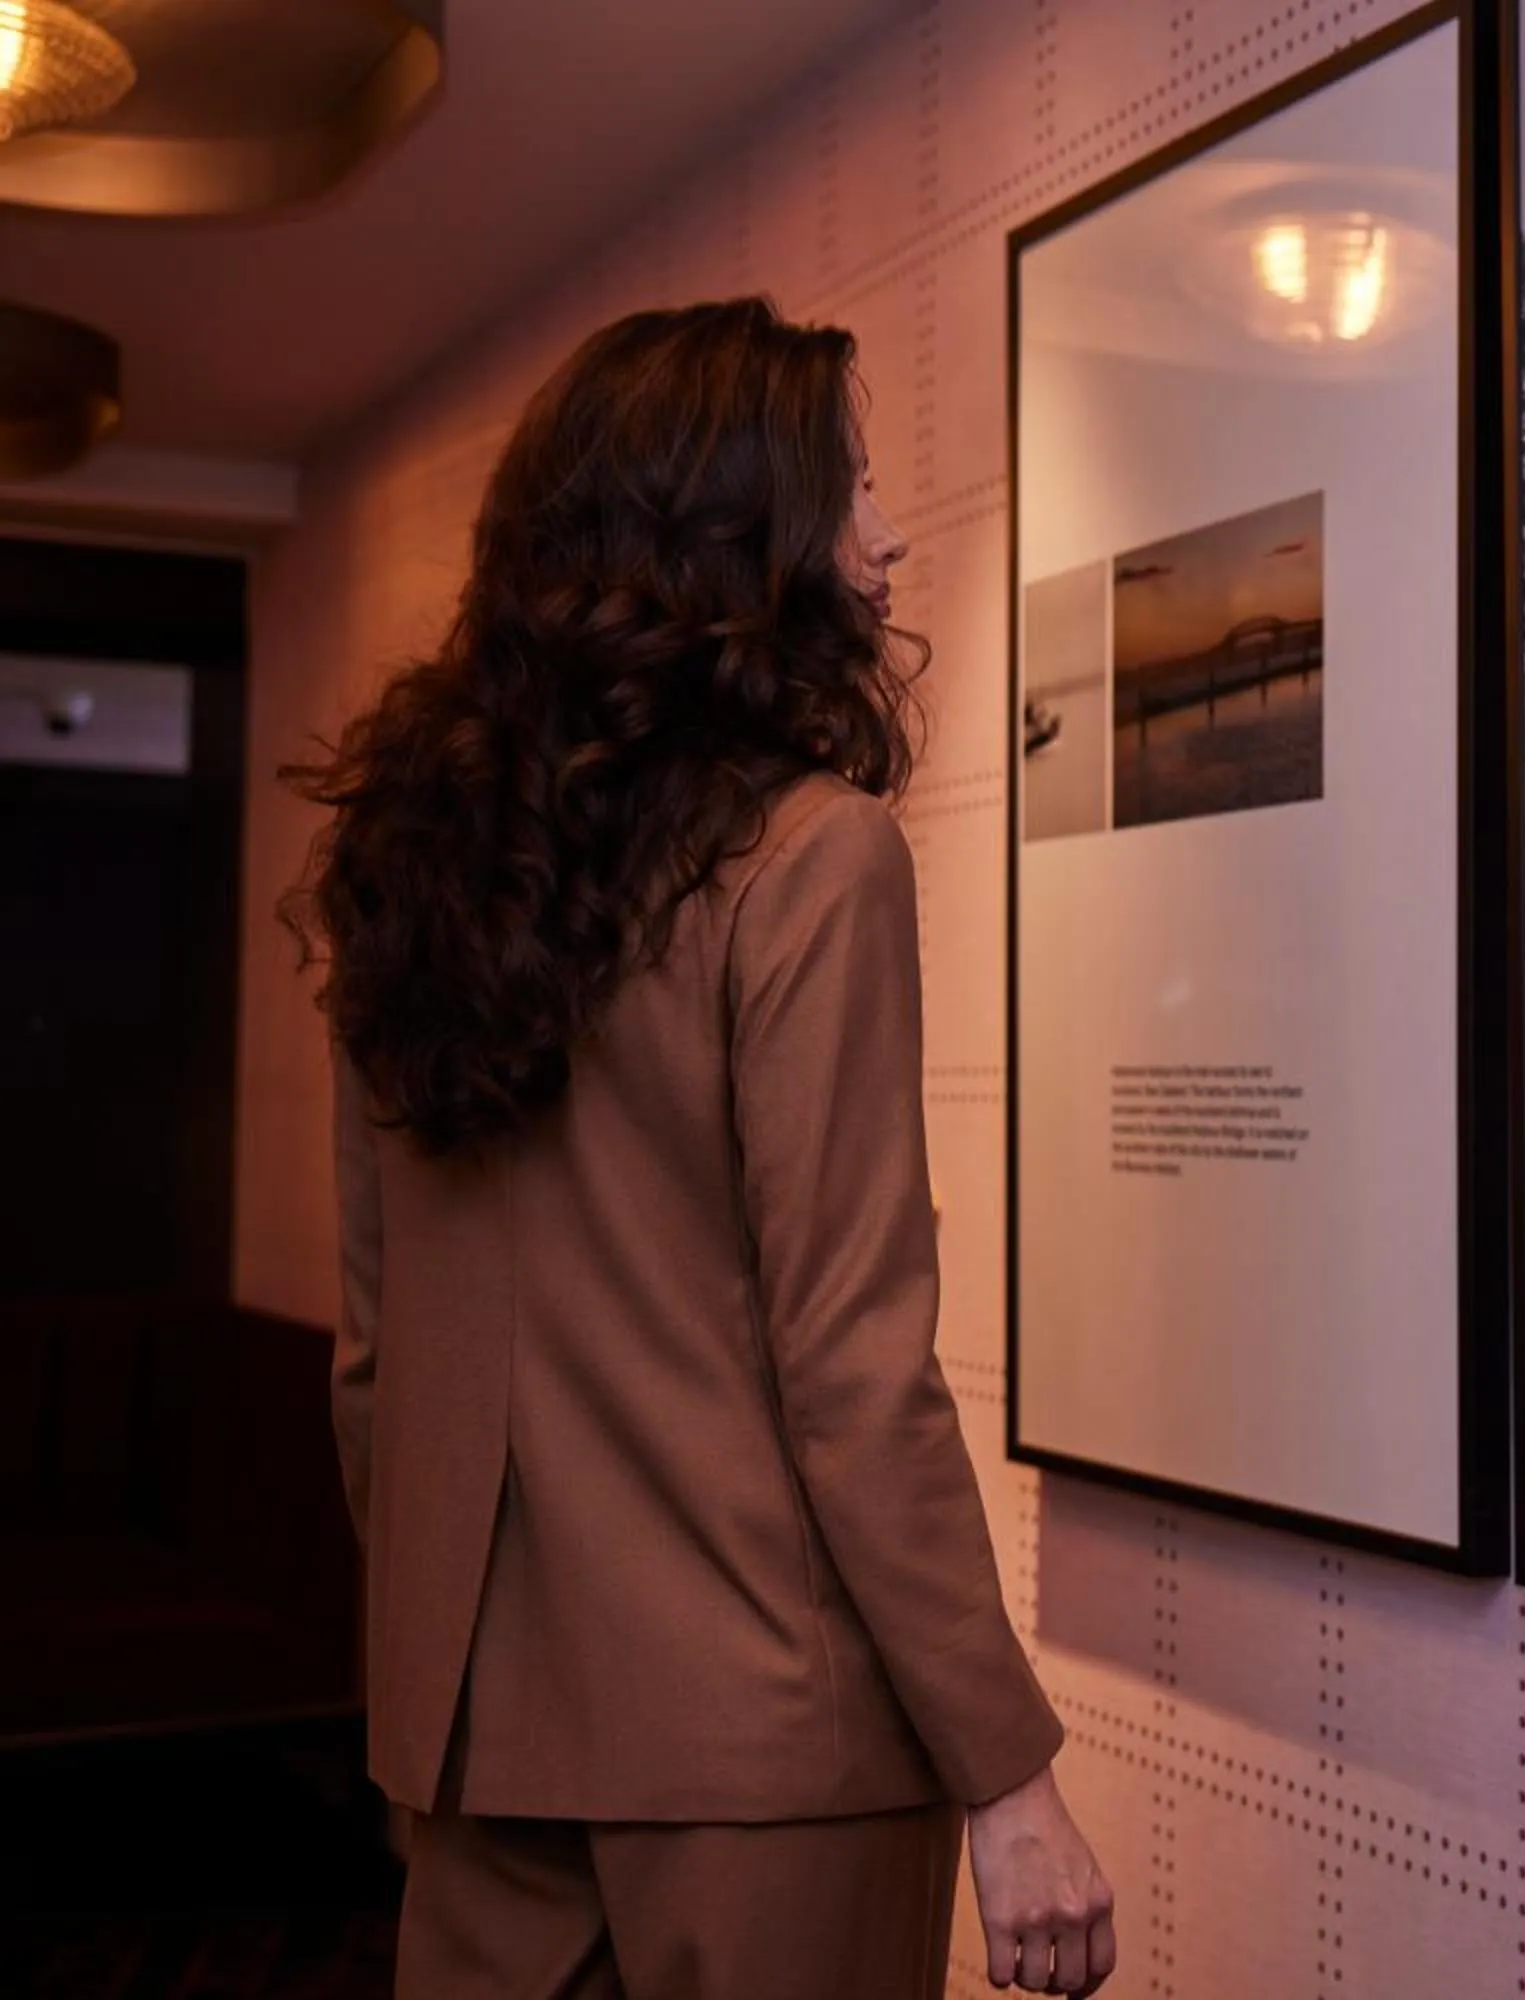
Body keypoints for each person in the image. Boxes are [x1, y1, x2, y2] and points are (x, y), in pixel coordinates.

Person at [282, 298, 1116, 1998]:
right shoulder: (813, 859)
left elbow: (378, 1374)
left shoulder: (412, 877)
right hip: (765, 1760)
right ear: (734, 535)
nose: (888, 541)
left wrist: (465, 1680)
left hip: (479, 1749)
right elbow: (856, 1370)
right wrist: (1011, 1774)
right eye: (852, 488)